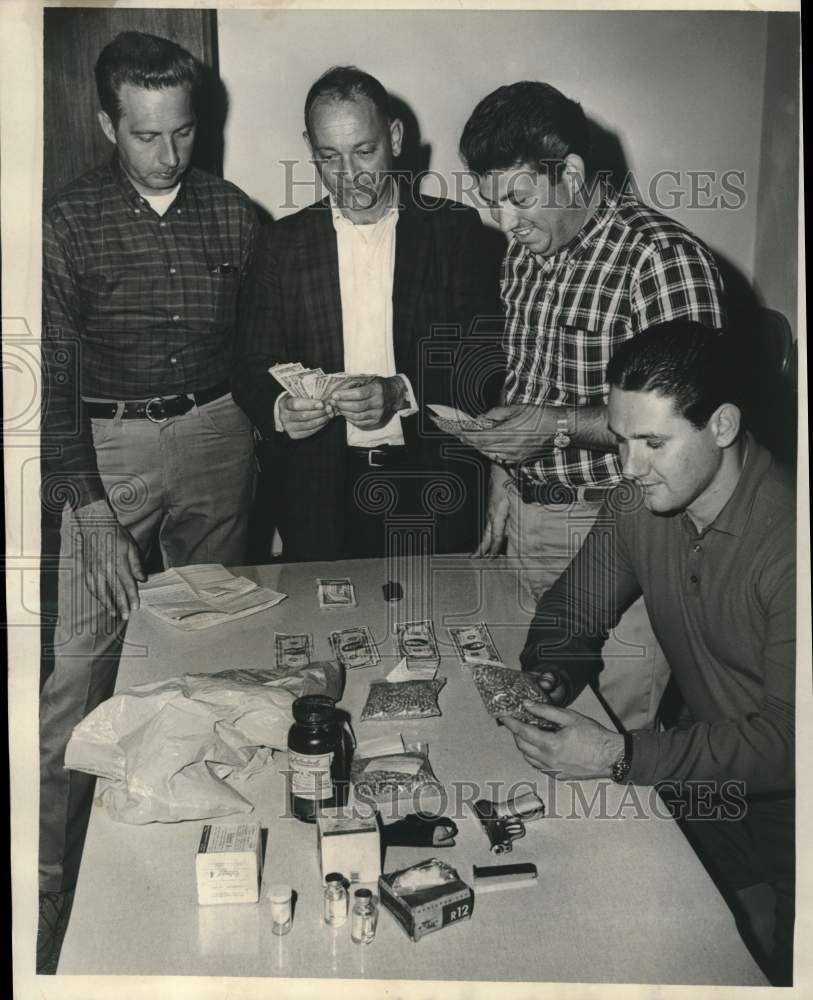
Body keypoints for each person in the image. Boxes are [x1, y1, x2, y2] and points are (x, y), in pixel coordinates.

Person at [39, 31, 258, 972]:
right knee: (80, 665)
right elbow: (45, 379)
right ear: (106, 125)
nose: (169, 155)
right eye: (145, 135)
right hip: (109, 448)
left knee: (211, 647)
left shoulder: (236, 214)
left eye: (184, 132)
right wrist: (87, 505)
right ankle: (46, 877)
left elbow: (264, 344)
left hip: (216, 434)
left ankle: (198, 845)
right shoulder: (65, 222)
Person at [502, 322, 795, 985]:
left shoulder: (789, 541)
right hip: (712, 777)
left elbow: (789, 744)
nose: (629, 468)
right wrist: (550, 671)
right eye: (621, 440)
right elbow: (572, 611)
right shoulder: (637, 504)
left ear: (721, 425)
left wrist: (622, 754)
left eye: (653, 443)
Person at [456, 81, 725, 731]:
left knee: (608, 744)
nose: (506, 223)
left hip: (620, 533)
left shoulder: (662, 260)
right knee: (531, 723)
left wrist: (550, 427)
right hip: (527, 523)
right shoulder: (524, 255)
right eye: (493, 203)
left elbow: (683, 430)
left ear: (571, 174)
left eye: (520, 199)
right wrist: (502, 471)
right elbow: (523, 378)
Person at [232, 66, 501, 561]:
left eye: (363, 150)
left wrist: (400, 391)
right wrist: (280, 409)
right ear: (310, 149)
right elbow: (250, 363)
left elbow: (484, 355)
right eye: (329, 156)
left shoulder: (455, 231)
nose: (348, 173)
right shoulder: (280, 244)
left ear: (394, 138)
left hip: (432, 479)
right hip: (317, 492)